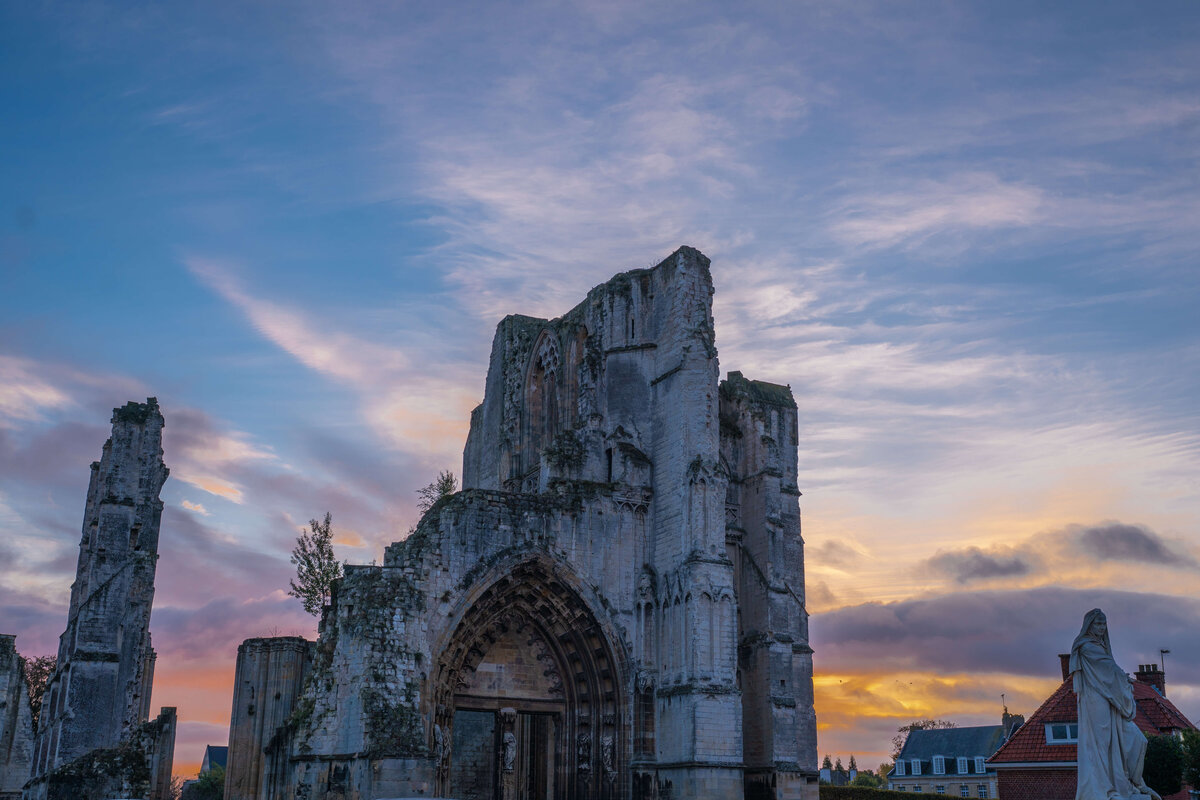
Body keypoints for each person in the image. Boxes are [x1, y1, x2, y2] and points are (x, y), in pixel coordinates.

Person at [1070, 609, 1161, 800]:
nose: (1101, 628)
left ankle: (1124, 783)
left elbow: (1111, 670)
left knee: (1131, 739)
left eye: (1104, 624)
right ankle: (1106, 788)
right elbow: (1108, 670)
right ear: (1089, 625)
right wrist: (1123, 680)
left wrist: (1122, 680)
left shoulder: (1099, 646)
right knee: (1101, 742)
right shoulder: (1087, 647)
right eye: (1098, 624)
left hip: (1109, 699)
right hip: (1096, 699)